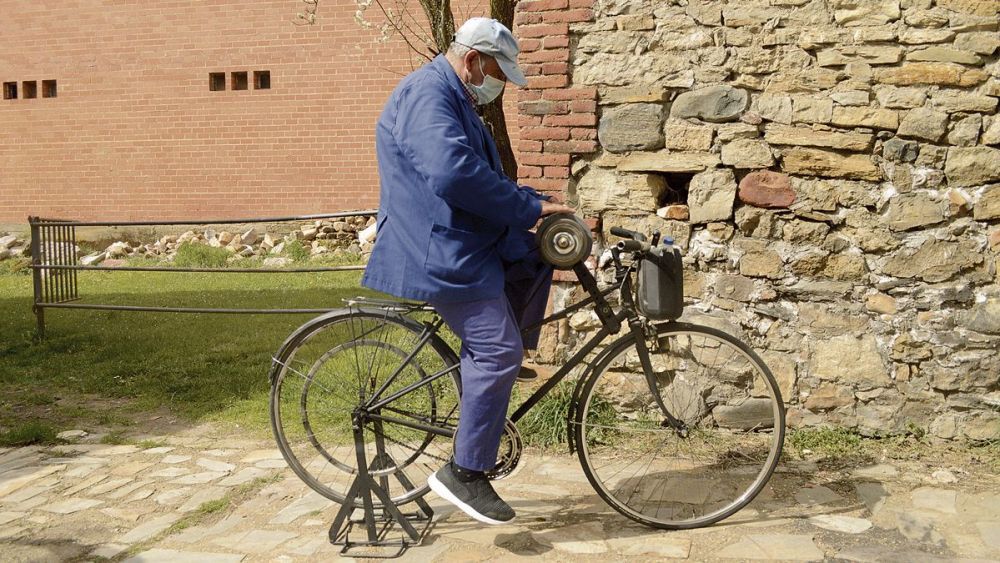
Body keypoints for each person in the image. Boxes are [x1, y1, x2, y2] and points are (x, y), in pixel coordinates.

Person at [361, 17, 574, 525]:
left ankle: (494, 363)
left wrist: (530, 203)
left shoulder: (455, 97)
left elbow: (480, 174)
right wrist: (524, 210)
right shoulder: (428, 94)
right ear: (474, 60)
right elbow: (454, 172)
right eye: (497, 72)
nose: (497, 84)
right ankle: (465, 472)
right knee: (495, 349)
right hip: (437, 249)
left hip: (464, 238)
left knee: (535, 256)